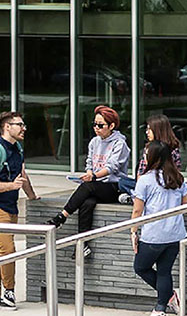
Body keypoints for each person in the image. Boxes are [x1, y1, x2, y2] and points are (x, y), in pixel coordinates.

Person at [45, 105, 130, 259]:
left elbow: (112, 167)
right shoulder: (94, 142)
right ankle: (83, 244)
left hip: (114, 186)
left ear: (111, 126)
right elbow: (90, 162)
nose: (96, 128)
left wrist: (94, 177)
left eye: (100, 125)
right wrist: (90, 173)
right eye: (94, 124)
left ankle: (62, 216)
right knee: (87, 203)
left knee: (88, 187)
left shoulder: (120, 144)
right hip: (95, 186)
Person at [0, 112, 40, 309]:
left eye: (24, 124)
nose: (24, 128)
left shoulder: (18, 149)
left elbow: (22, 175)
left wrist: (32, 197)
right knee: (8, 250)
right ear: (7, 127)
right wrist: (12, 186)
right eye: (19, 124)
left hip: (10, 207)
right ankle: (9, 291)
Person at [129, 140, 187, 316]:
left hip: (154, 235)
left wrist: (133, 232)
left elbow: (137, 210)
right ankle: (161, 307)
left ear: (153, 157)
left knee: (140, 267)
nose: (144, 157)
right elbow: (186, 203)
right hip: (176, 233)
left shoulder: (146, 180)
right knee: (164, 271)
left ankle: (168, 297)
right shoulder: (178, 177)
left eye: (147, 154)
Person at [117, 114, 183, 204]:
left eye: (149, 129)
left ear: (157, 130)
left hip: (164, 183)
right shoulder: (148, 147)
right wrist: (141, 184)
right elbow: (141, 171)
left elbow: (175, 173)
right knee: (122, 182)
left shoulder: (172, 149)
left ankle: (135, 198)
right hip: (146, 183)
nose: (147, 132)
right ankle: (137, 196)